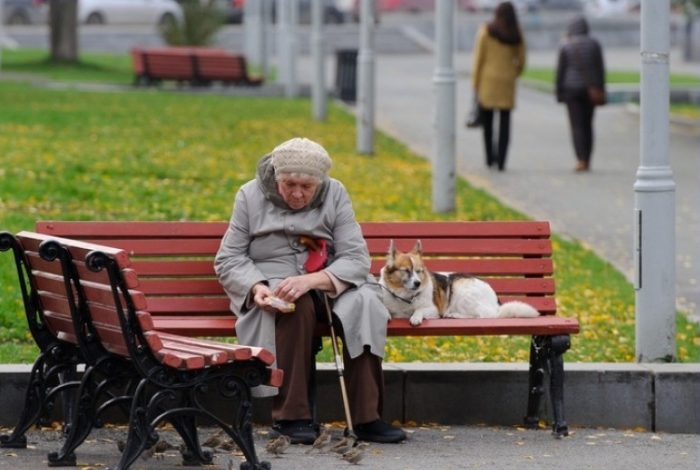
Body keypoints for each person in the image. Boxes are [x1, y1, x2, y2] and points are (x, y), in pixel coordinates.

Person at [214, 137, 406, 445]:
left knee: (366, 303)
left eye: (307, 187)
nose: (298, 194)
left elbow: (356, 257)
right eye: (290, 184)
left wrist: (316, 280)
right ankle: (292, 417)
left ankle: (367, 418)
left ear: (320, 182)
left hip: (331, 278)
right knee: (292, 303)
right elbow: (229, 258)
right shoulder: (249, 195)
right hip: (273, 279)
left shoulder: (335, 193)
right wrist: (256, 287)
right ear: (276, 177)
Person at [471, 1, 526, 172]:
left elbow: (479, 58)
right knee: (505, 121)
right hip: (507, 80)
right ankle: (502, 161)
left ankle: (489, 158)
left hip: (488, 79)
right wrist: (514, 72)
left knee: (487, 122)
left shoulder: (486, 31)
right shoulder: (516, 32)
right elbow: (522, 58)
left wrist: (475, 83)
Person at [555, 16, 606, 172]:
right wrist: (600, 89)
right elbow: (600, 69)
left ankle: (580, 159)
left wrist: (559, 93)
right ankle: (588, 158)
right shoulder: (594, 44)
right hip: (590, 90)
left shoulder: (566, 45)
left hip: (571, 90)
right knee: (588, 124)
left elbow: (560, 72)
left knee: (576, 126)